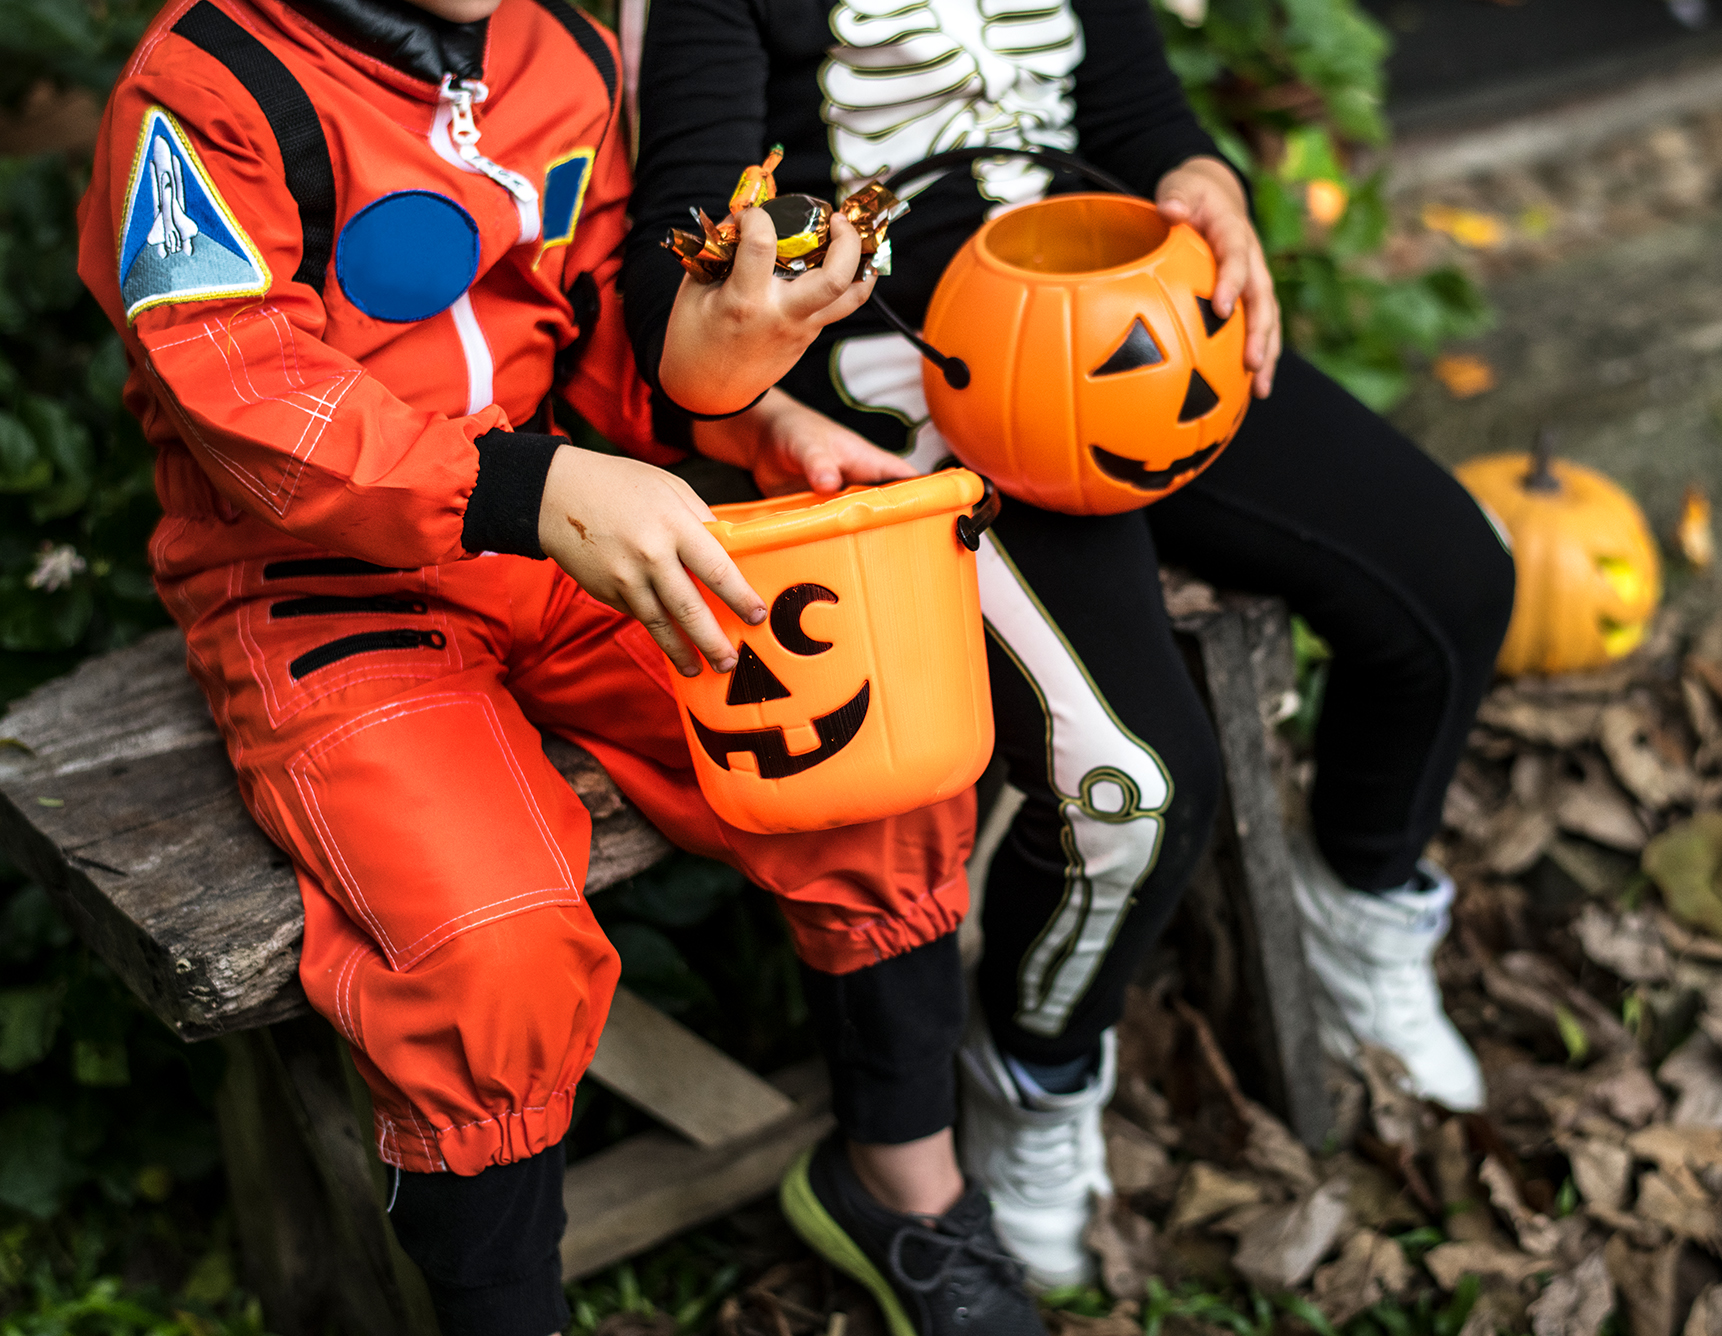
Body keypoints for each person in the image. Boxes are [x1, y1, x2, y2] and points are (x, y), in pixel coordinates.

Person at [75, 0, 1038, 1332]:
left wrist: (760, 422)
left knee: (861, 749)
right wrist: (527, 490)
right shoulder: (208, 93)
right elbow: (241, 390)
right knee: (489, 948)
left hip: (572, 536)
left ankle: (905, 1194)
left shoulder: (560, 49)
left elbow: (593, 335)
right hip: (314, 580)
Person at [621, 0, 1517, 1311]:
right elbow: (676, 264)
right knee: (1136, 785)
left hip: (1125, 312)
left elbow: (1141, 118)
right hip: (905, 370)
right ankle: (1036, 1071)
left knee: (1455, 583)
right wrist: (747, 369)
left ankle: (1363, 899)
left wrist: (1205, 184)